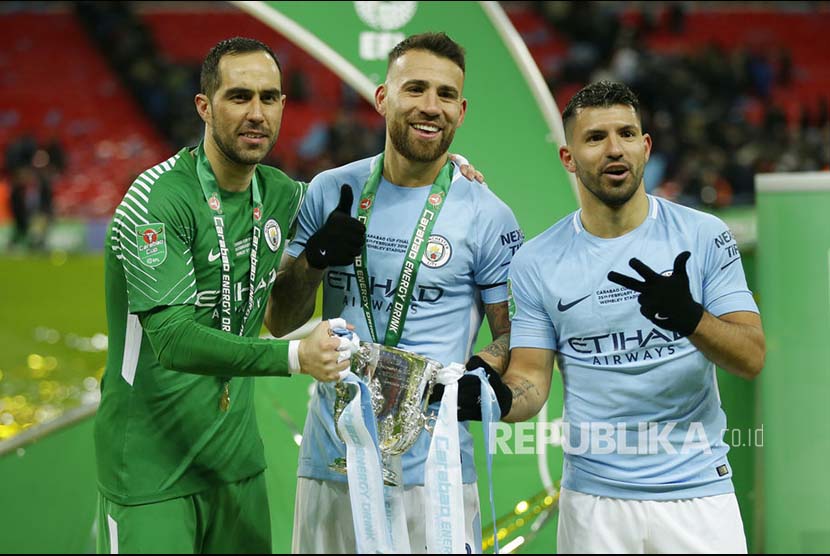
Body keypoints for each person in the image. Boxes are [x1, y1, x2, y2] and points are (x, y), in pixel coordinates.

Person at [94, 37, 359, 554]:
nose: (256, 113)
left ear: (284, 105)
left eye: (269, 97)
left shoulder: (283, 194)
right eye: (239, 97)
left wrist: (313, 262)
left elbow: (282, 317)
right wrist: (294, 357)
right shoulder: (156, 202)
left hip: (237, 463)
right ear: (204, 106)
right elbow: (171, 339)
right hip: (151, 470)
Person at [268, 32, 522, 553]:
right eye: (416, 89)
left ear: (462, 110)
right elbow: (279, 319)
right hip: (332, 461)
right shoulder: (331, 191)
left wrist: (479, 374)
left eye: (446, 95)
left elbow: (514, 338)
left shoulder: (487, 214)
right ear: (383, 98)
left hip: (437, 475)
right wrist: (315, 258)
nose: (431, 107)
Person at [500, 80, 766, 553]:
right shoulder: (536, 261)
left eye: (626, 134)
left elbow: (751, 357)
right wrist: (489, 397)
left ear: (645, 147)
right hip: (593, 505)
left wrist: (690, 319)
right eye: (595, 137)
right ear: (568, 157)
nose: (614, 149)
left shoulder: (704, 235)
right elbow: (530, 382)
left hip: (699, 497)